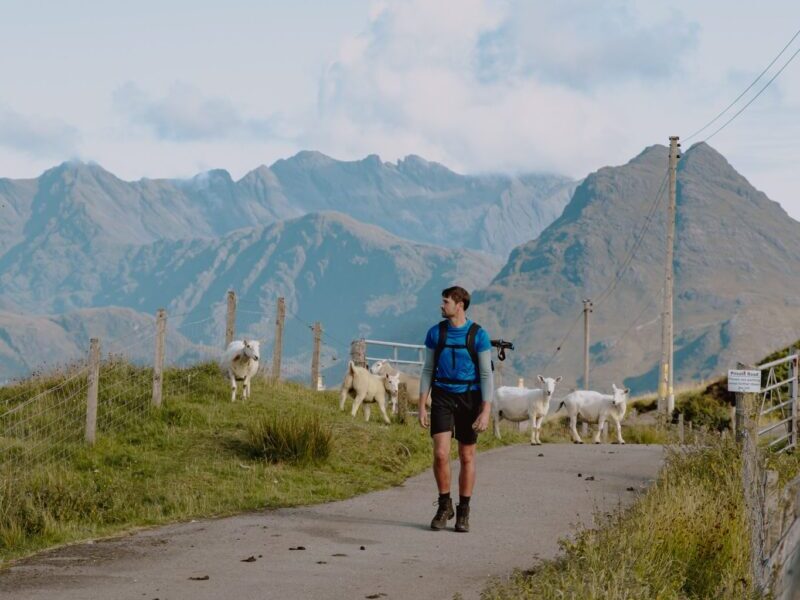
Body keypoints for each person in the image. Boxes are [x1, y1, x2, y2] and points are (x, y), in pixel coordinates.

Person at [418, 286, 493, 532]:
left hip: (470, 398)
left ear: (459, 304)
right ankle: (443, 505)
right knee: (441, 453)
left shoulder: (478, 335)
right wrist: (421, 406)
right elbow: (428, 369)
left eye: (446, 301)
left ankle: (464, 511)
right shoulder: (435, 333)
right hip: (442, 396)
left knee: (466, 456)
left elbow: (486, 374)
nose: (442, 305)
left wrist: (485, 410)